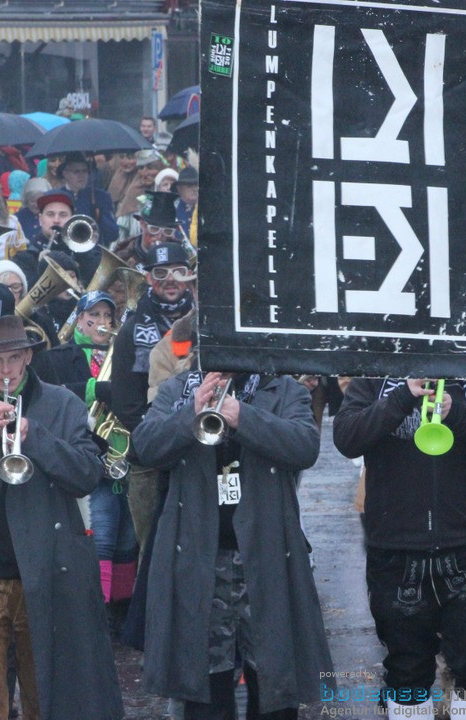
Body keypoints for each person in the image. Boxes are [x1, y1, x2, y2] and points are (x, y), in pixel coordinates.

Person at [0, 315, 122, 720]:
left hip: (50, 575)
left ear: (29, 356)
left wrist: (38, 438)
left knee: (50, 700)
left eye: (15, 357)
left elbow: (86, 474)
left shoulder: (63, 403)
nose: (7, 369)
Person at [135, 366, 332, 718]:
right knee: (205, 689)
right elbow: (145, 447)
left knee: (274, 682)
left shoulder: (284, 389)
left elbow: (305, 447)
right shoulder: (178, 389)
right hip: (199, 558)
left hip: (265, 556)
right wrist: (189, 414)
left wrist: (244, 417)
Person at [333, 375, 466, 719]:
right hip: (396, 549)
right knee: (405, 671)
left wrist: (459, 413)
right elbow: (347, 438)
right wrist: (402, 397)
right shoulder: (375, 374)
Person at [48, 291, 137, 625]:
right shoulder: (62, 354)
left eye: (107, 317)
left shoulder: (125, 353)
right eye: (93, 316)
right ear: (79, 319)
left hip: (123, 455)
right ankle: (94, 612)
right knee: (100, 534)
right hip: (88, 455)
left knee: (127, 538)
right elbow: (52, 391)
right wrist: (94, 389)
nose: (102, 323)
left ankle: (121, 612)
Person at [111, 242, 196, 554]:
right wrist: (160, 438)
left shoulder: (206, 321)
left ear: (189, 276)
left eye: (178, 271)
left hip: (199, 453)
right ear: (148, 278)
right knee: (152, 550)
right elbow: (125, 404)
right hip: (149, 459)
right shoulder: (131, 331)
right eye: (160, 273)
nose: (170, 279)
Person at [58, 153, 118, 248]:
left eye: (84, 171)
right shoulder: (56, 196)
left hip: (94, 252)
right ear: (65, 173)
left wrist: (100, 217)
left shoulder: (101, 196)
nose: (81, 175)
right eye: (76, 172)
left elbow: (114, 234)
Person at [112, 191, 185, 270]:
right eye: (154, 229)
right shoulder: (123, 254)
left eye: (167, 231)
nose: (160, 236)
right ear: (142, 224)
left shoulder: (182, 254)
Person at [174, 166, 198, 244]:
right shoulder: (172, 210)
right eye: (189, 185)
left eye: (196, 184)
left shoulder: (206, 209)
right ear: (179, 188)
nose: (195, 189)